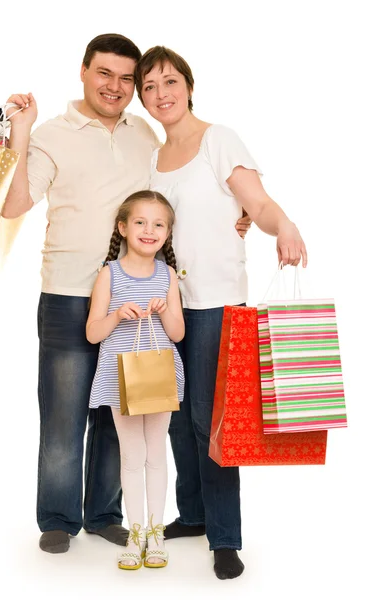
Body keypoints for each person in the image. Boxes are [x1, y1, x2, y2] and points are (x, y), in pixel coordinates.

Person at [2, 33, 250, 555]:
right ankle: (58, 517)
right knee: (65, 414)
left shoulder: (146, 136)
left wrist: (238, 213)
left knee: (125, 408)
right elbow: (13, 205)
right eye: (104, 73)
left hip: (143, 298)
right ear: (84, 71)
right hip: (70, 292)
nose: (114, 86)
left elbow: (179, 195)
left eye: (125, 78)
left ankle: (104, 514)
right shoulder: (52, 133)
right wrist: (19, 135)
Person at [135, 46, 308, 579]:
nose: (160, 94)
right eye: (150, 87)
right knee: (175, 412)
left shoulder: (218, 139)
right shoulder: (152, 157)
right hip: (165, 303)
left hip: (214, 301)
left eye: (169, 82)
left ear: (188, 85)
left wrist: (284, 227)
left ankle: (225, 536)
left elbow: (256, 204)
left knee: (213, 417)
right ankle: (193, 514)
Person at [86, 190, 184, 569]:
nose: (150, 230)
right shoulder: (109, 273)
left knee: (156, 453)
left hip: (160, 373)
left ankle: (157, 533)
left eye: (159, 224)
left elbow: (177, 334)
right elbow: (94, 333)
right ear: (123, 228)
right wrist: (116, 316)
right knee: (132, 455)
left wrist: (161, 312)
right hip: (118, 374)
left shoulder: (168, 275)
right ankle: (136, 532)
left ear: (168, 233)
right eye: (140, 222)